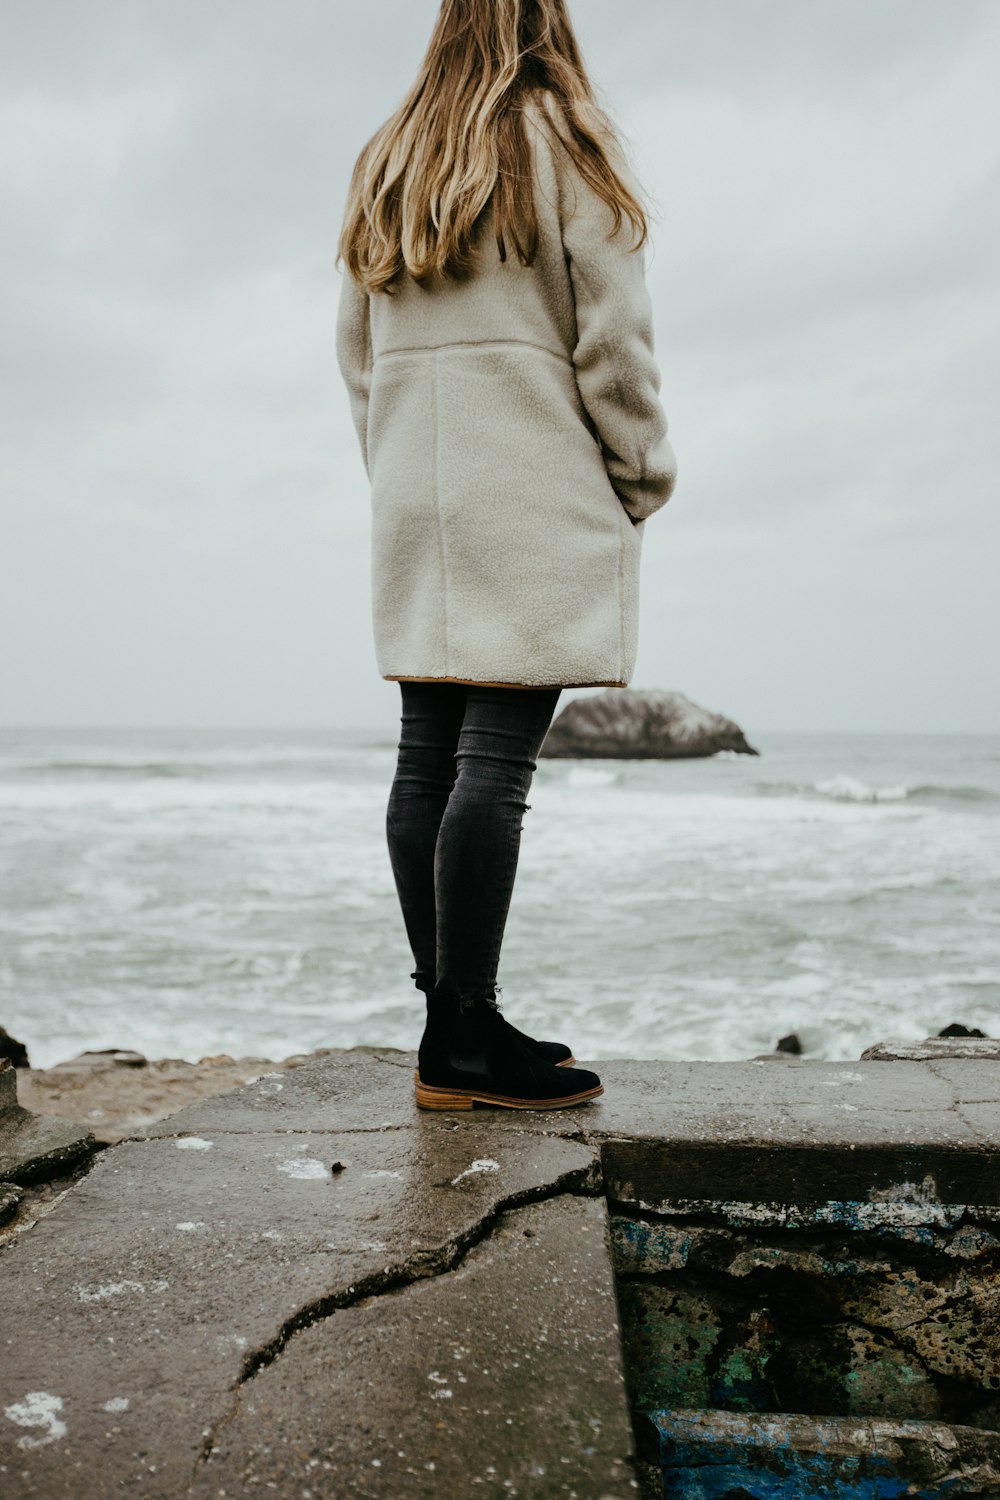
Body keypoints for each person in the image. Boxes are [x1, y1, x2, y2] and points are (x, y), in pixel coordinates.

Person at [335, 0, 678, 1111]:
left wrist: (392, 469)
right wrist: (637, 475)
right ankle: (464, 1032)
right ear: (545, 21)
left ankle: (451, 1024)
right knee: (494, 765)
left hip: (416, 487)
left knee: (425, 755)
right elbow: (612, 339)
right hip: (530, 475)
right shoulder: (567, 142)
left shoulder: (388, 156)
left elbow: (355, 352)